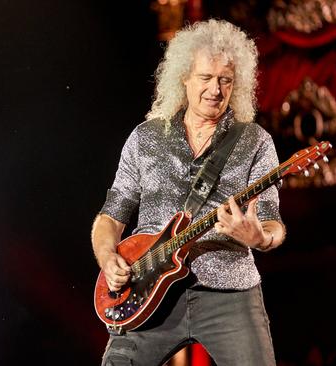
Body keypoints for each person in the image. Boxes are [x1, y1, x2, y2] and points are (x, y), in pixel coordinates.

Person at [91, 19, 286, 366]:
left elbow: (273, 224)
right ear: (184, 78)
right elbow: (110, 217)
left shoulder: (255, 142)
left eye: (225, 80)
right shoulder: (145, 138)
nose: (215, 89)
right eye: (206, 78)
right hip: (147, 291)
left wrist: (258, 237)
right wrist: (108, 258)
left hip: (231, 293)